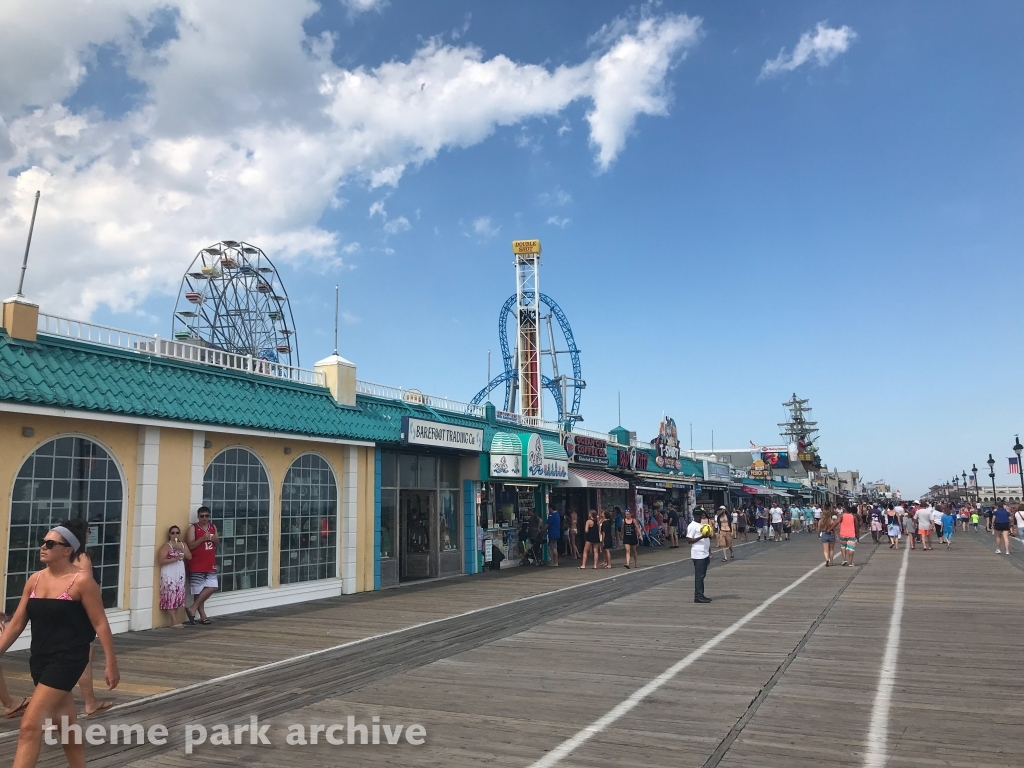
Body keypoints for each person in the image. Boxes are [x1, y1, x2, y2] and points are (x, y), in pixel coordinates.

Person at [0, 520, 120, 768]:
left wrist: (111, 664)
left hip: (68, 659)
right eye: (42, 542)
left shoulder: (82, 582)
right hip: (40, 659)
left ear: (68, 550)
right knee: (65, 725)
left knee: (29, 727)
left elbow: (100, 624)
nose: (43, 547)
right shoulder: (34, 580)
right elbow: (17, 623)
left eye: (50, 543)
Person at [71, 526, 113, 718]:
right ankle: (88, 703)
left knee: (87, 652)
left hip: (72, 612)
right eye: (86, 529)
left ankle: (90, 701)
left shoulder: (67, 557)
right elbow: (86, 584)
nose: (89, 532)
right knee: (83, 655)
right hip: (80, 612)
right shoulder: (81, 557)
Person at [185, 505, 219, 625]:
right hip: (197, 562)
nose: (204, 518)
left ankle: (192, 608)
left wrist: (214, 539)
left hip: (210, 561)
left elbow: (217, 544)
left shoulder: (212, 527)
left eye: (207, 516)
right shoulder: (193, 528)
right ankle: (202, 615)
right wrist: (202, 539)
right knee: (198, 590)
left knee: (213, 586)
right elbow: (190, 545)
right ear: (198, 517)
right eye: (202, 516)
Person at [158, 525, 191, 626]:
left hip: (179, 572)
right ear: (169, 534)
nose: (175, 535)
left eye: (177, 533)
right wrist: (175, 558)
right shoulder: (166, 546)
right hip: (169, 572)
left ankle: (175, 620)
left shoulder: (183, 544)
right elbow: (161, 560)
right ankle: (173, 621)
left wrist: (182, 549)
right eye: (173, 533)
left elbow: (189, 557)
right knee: (170, 594)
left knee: (177, 595)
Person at [686, 509, 713, 603]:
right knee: (699, 576)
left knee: (702, 575)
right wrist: (702, 537)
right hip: (698, 555)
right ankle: (698, 596)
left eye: (700, 515)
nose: (698, 516)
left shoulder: (702, 525)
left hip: (704, 554)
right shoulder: (692, 526)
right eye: (696, 515)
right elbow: (689, 540)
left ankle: (701, 594)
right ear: (693, 515)